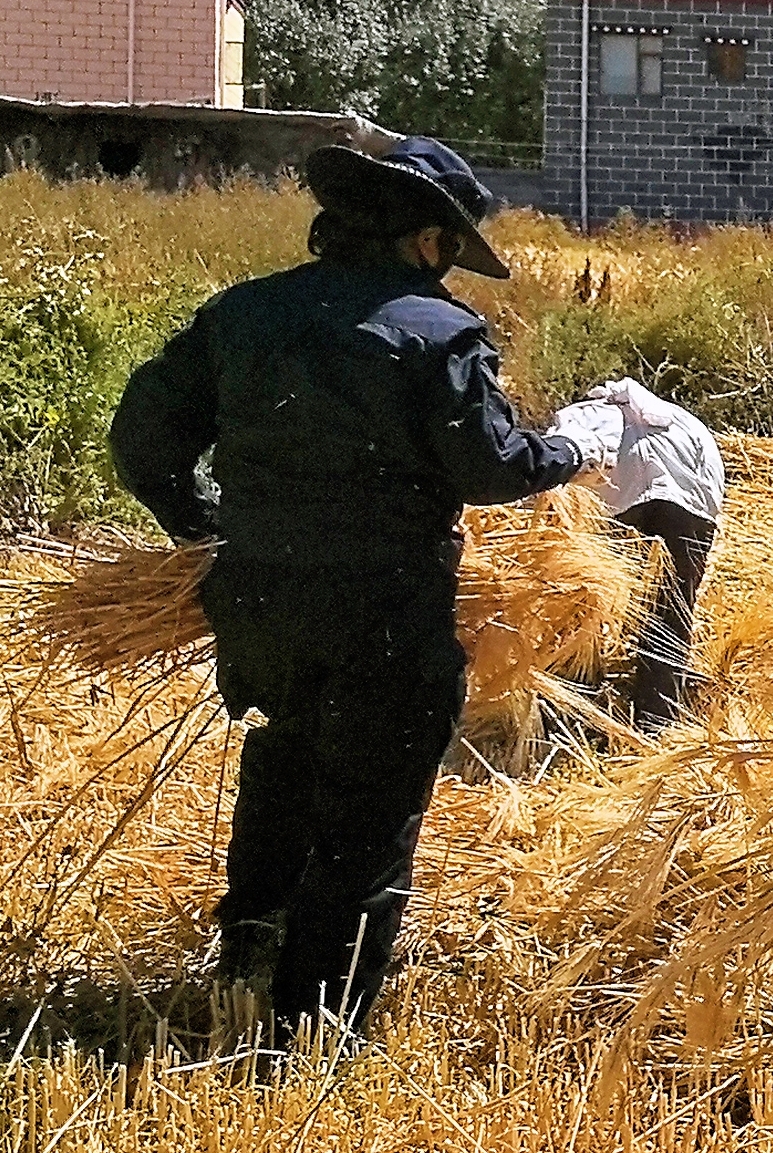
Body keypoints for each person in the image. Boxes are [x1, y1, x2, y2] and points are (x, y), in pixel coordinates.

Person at [107, 137, 590, 1043]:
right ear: (426, 240)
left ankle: (250, 953)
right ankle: (306, 1037)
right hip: (385, 613)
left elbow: (140, 436)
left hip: (257, 608)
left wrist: (201, 528)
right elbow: (487, 467)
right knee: (365, 823)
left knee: (285, 762)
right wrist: (565, 451)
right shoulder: (438, 332)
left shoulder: (244, 314)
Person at [549, 378, 728, 729]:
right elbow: (713, 482)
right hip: (687, 511)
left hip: (614, 508)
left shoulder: (579, 416)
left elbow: (557, 478)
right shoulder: (683, 421)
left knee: (586, 611)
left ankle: (574, 716)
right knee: (671, 614)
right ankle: (655, 721)